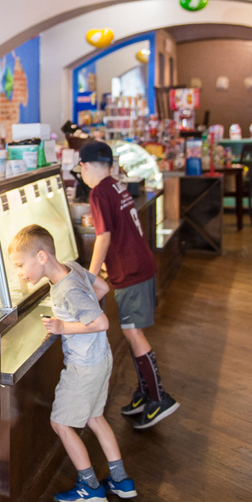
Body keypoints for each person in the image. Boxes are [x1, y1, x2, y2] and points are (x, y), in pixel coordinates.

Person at [8, 225, 136, 502]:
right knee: (95, 417)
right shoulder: (71, 267)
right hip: (100, 358)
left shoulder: (65, 290)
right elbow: (101, 287)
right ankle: (121, 480)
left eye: (20, 265)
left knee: (60, 423)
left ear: (41, 257)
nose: (19, 272)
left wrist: (62, 325)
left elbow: (101, 322)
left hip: (84, 366)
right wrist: (80, 308)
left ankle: (89, 486)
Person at [77, 141, 177, 429]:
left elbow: (104, 236)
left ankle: (159, 397)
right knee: (133, 331)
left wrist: (91, 277)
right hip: (139, 265)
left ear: (83, 166)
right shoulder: (116, 185)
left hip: (131, 272)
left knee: (133, 333)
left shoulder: (98, 193)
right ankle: (145, 393)